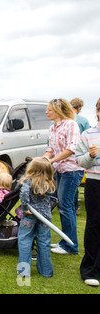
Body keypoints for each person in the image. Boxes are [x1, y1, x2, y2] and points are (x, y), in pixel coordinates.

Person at [43, 98, 84, 255]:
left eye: (49, 110)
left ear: (58, 111)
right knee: (64, 206)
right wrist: (44, 159)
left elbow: (71, 149)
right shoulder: (52, 128)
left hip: (72, 170)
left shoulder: (71, 125)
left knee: (65, 206)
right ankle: (65, 241)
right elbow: (51, 148)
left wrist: (51, 161)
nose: (47, 112)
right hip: (59, 170)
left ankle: (71, 246)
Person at [17, 157, 57, 278]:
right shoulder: (49, 183)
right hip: (45, 216)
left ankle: (24, 272)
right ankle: (46, 271)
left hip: (29, 216)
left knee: (25, 241)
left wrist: (25, 207)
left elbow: (23, 194)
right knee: (44, 242)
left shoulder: (28, 181)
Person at [75, 98, 100, 287]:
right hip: (95, 182)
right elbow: (79, 161)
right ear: (97, 111)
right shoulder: (88, 134)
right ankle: (90, 269)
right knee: (94, 225)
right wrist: (90, 156)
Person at [70, 97, 90, 214]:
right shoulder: (83, 121)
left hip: (61, 157)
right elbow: (88, 140)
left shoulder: (59, 119)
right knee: (75, 184)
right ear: (79, 108)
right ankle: (75, 206)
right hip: (77, 155)